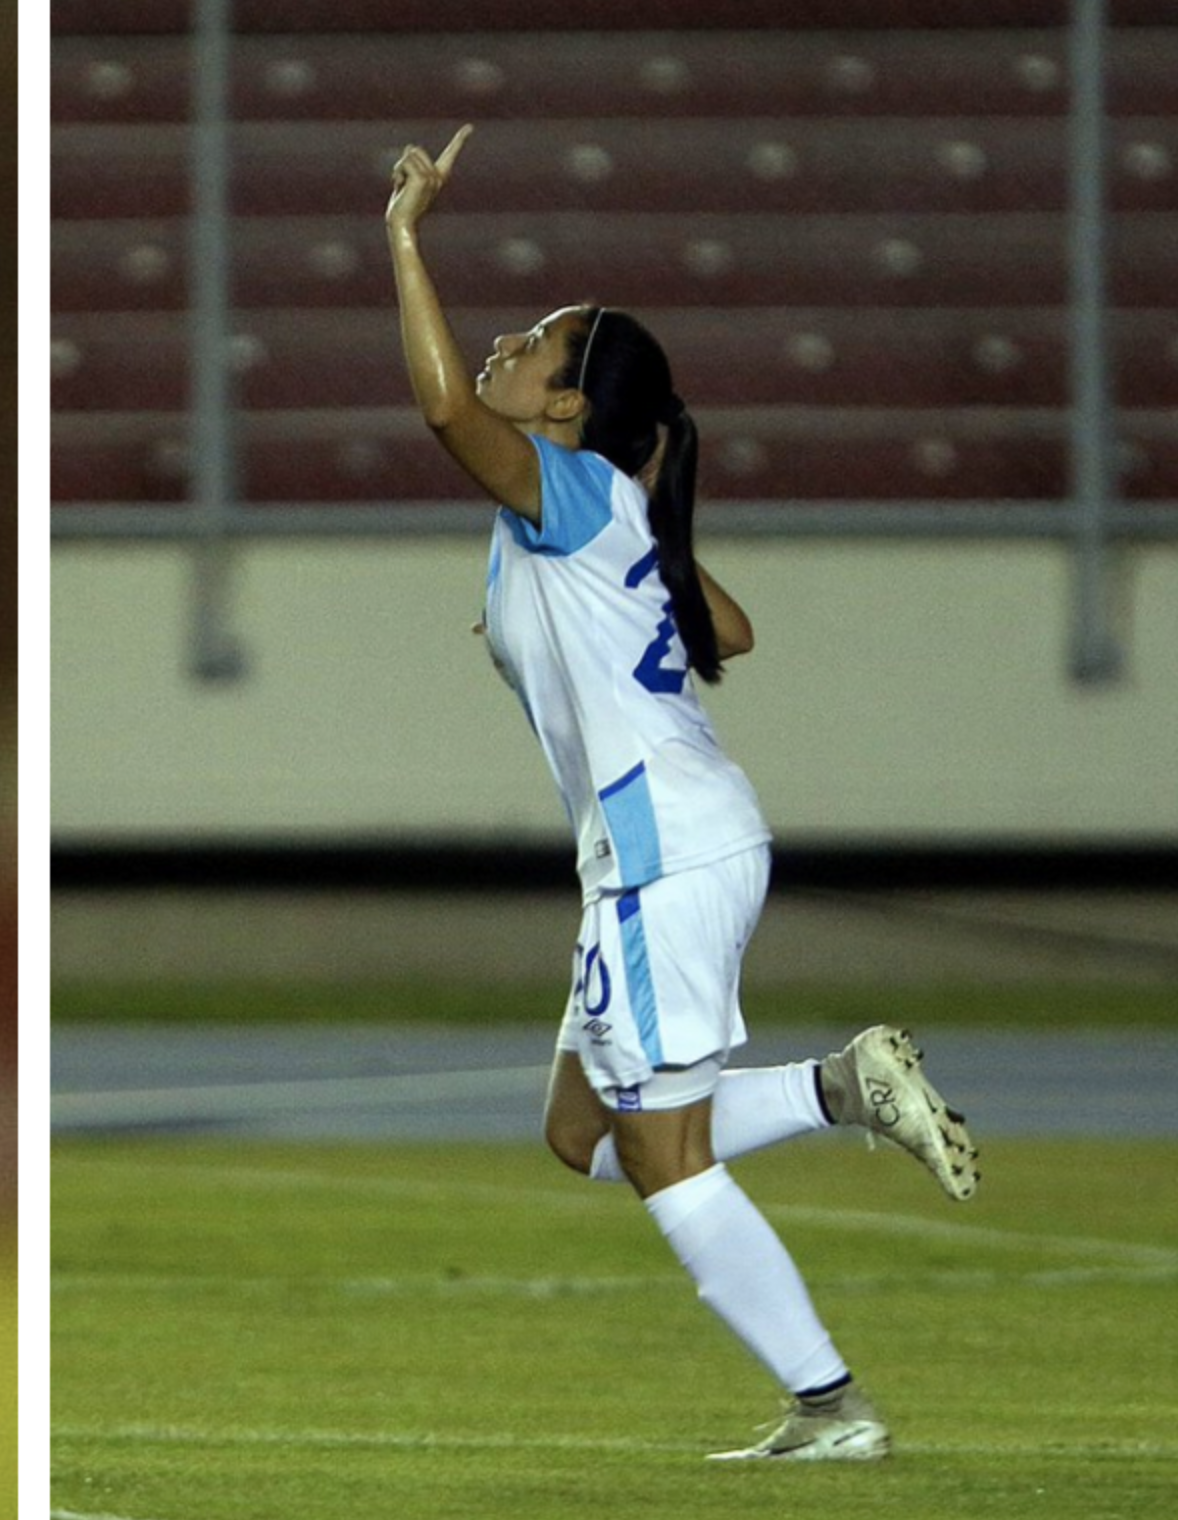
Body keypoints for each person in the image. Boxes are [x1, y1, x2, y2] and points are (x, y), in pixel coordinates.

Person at [385, 125, 979, 1462]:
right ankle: (836, 1088)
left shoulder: (570, 489)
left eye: (535, 342)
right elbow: (732, 628)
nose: (506, 346)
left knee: (665, 1158)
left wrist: (404, 239)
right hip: (673, 846)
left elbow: (437, 411)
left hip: (665, 855)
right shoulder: (599, 513)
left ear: (565, 404)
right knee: (579, 1132)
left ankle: (830, 1406)